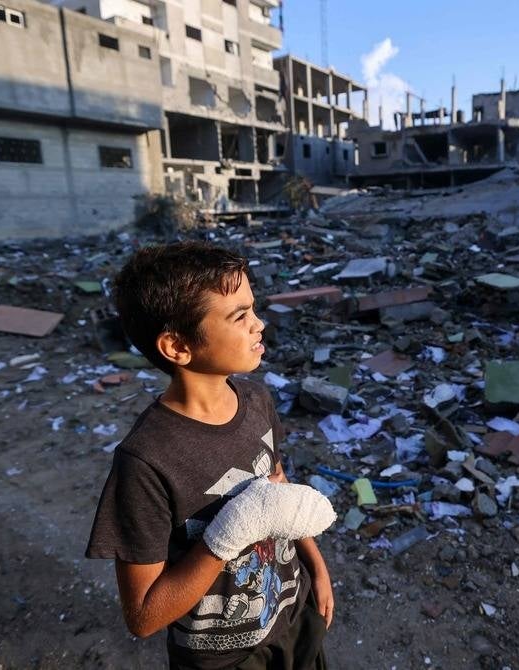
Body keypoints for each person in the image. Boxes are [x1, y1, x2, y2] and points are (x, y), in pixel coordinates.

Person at [86, 241, 336, 669]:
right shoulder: (145, 461)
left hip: (292, 614)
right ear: (177, 347)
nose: (259, 325)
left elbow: (276, 494)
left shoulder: (256, 401)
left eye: (253, 308)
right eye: (240, 316)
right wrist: (229, 534)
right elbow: (143, 616)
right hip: (222, 658)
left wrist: (316, 563)